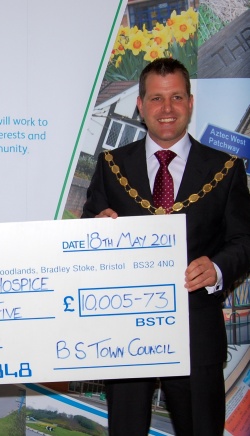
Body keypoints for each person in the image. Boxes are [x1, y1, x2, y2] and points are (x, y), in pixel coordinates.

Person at [82, 58, 250, 436]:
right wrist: (96, 231)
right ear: (140, 105)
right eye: (156, 98)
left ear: (190, 102)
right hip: (126, 332)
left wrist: (217, 268)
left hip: (196, 332)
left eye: (176, 97)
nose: (167, 108)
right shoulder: (111, 165)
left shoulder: (226, 168)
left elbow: (245, 239)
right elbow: (88, 235)